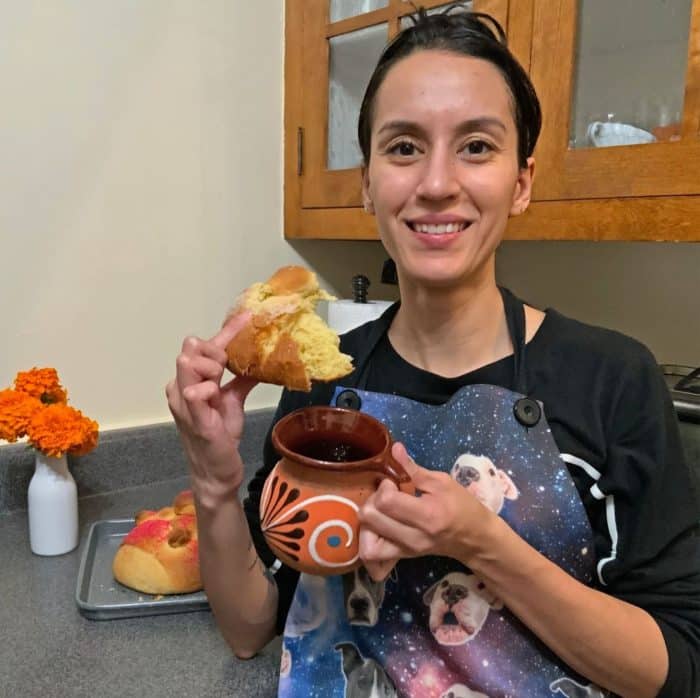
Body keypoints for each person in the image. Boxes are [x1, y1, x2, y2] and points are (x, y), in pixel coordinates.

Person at [166, 6, 700, 697]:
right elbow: (249, 629)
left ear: (522, 180)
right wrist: (211, 480)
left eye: (476, 146)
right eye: (404, 147)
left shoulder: (614, 380)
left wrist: (481, 543)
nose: (437, 182)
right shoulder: (326, 385)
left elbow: (678, 669)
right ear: (367, 185)